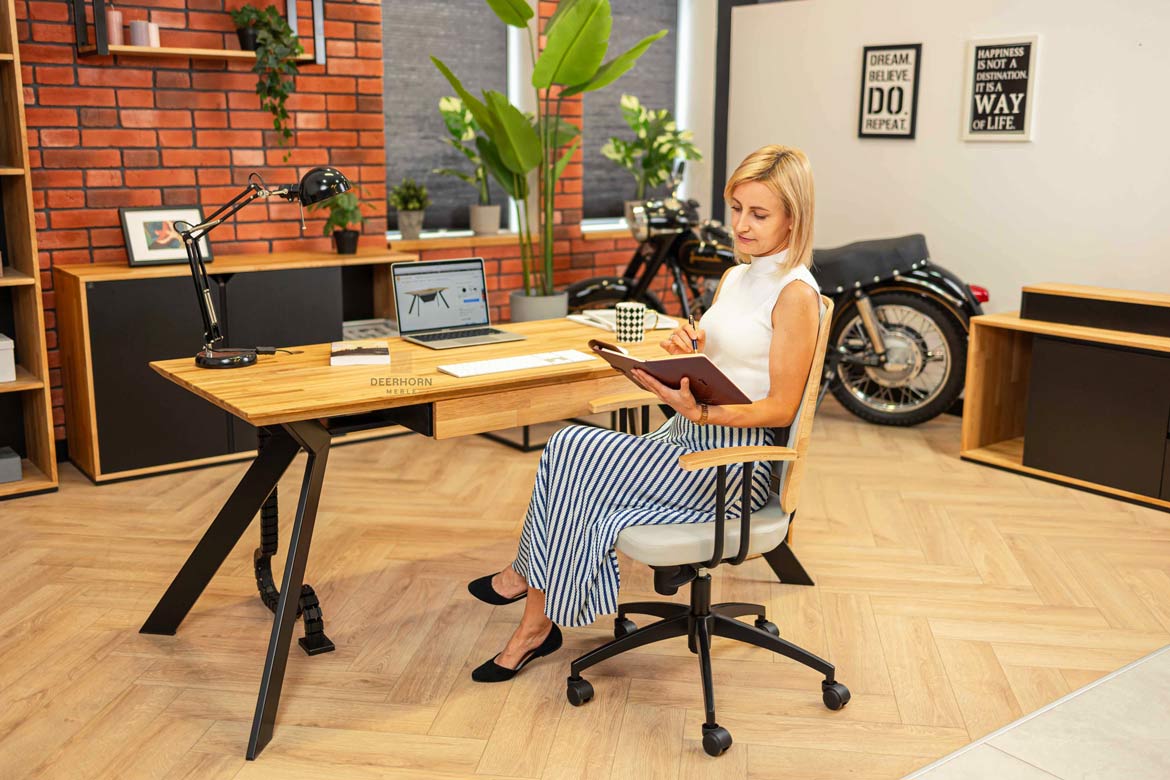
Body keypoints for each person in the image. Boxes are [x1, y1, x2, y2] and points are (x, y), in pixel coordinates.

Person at [466, 145, 822, 682]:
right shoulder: (736, 278)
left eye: (759, 214)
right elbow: (731, 352)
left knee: (569, 449)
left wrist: (702, 416)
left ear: (793, 218)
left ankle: (529, 596)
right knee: (573, 459)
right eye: (737, 208)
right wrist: (693, 339)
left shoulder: (795, 294)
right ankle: (535, 622)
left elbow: (779, 408)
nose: (741, 226)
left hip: (730, 467)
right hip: (685, 439)